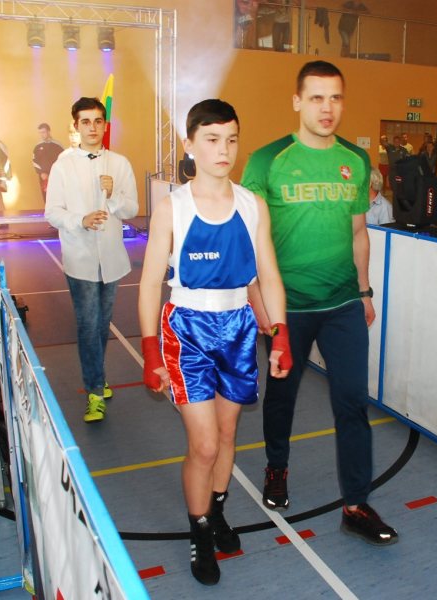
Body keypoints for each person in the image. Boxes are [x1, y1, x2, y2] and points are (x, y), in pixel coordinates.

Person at [241, 60, 398, 545]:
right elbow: (249, 240)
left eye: (335, 98)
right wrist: (259, 304)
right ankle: (277, 467)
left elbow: (358, 232)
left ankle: (356, 505)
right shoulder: (267, 160)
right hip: (287, 307)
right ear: (297, 102)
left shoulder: (355, 160)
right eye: (316, 98)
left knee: (353, 402)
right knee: (282, 397)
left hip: (343, 303)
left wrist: (365, 290)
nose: (327, 108)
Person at [138, 99, 291, 585]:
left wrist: (281, 334)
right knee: (203, 445)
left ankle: (217, 510)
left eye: (231, 139)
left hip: (239, 327)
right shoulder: (172, 208)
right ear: (190, 145)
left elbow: (268, 275)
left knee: (226, 436)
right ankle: (200, 530)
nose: (224, 150)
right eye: (211, 139)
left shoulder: (252, 205)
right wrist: (149, 350)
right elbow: (149, 283)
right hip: (187, 331)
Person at [44, 97, 138, 423]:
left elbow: (132, 209)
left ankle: (97, 376)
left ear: (105, 125)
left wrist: (113, 196)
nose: (93, 127)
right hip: (79, 257)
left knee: (100, 325)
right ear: (76, 126)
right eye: (86, 121)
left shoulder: (120, 164)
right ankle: (95, 391)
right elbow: (52, 212)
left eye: (98, 121)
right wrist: (80, 220)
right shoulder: (62, 166)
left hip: (111, 259)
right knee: (87, 325)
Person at [32, 123, 64, 204]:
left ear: (49, 132)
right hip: (43, 177)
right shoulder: (37, 146)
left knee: (58, 197)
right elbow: (34, 161)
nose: (41, 135)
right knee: (46, 198)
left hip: (56, 176)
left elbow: (63, 160)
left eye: (43, 132)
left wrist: (55, 174)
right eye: (40, 133)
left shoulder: (58, 145)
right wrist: (41, 173)